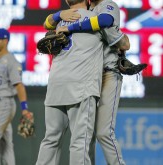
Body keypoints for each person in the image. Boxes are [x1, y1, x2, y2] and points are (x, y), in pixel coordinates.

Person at [43, 0, 130, 165]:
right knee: (85, 137)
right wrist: (59, 14)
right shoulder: (86, 11)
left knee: (103, 132)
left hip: (107, 73)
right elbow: (47, 23)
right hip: (87, 74)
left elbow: (118, 35)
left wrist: (68, 26)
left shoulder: (106, 6)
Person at [0, 28, 33, 165]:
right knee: (6, 143)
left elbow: (19, 86)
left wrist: (24, 108)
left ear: (5, 41)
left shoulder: (11, 61)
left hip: (4, 104)